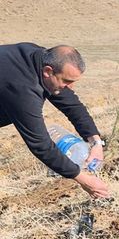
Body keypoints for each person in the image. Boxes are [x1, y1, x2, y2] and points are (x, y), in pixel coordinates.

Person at [0, 43, 109, 198]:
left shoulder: (41, 58)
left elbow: (72, 105)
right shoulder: (23, 89)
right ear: (48, 72)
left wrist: (96, 142)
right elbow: (40, 144)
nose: (70, 87)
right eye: (66, 81)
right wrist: (82, 178)